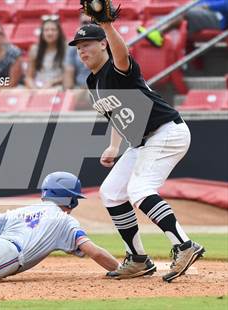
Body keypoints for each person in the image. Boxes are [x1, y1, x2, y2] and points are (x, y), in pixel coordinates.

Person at [68, 23, 205, 282]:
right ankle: (139, 259)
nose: (82, 51)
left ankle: (185, 246)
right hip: (141, 142)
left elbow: (121, 54)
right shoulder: (92, 80)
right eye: (78, 47)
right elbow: (117, 113)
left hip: (166, 131)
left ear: (103, 44)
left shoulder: (119, 69)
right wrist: (114, 146)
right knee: (111, 193)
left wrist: (107, 25)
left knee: (140, 190)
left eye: (87, 45)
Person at [25, 15, 67, 90]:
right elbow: (29, 77)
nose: (50, 33)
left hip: (57, 86)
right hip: (37, 86)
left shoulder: (67, 49)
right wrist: (35, 89)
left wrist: (52, 82)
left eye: (53, 30)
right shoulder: (34, 49)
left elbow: (69, 75)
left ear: (59, 32)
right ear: (42, 33)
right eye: (46, 30)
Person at [64, 13, 92, 89]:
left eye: (93, 22)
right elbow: (68, 76)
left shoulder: (108, 45)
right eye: (85, 23)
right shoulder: (73, 47)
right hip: (79, 89)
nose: (89, 26)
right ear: (80, 25)